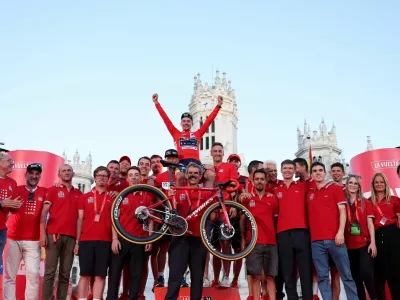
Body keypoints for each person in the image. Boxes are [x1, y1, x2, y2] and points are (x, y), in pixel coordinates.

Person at [307, 162, 358, 300]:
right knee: (323, 277)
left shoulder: (335, 189)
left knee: (346, 275)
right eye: (315, 171)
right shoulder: (309, 194)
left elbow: (343, 211)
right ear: (311, 175)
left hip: (335, 239)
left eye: (320, 170)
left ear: (325, 173)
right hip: (316, 242)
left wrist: (340, 232)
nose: (318, 173)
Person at [164, 162, 215, 300]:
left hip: (199, 238)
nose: (193, 175)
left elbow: (213, 217)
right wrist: (170, 196)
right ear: (186, 175)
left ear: (200, 177)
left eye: (196, 173)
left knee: (197, 278)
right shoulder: (178, 190)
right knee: (175, 276)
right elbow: (170, 214)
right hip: (180, 238)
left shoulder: (205, 192)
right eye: (190, 173)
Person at [107, 166, 153, 300]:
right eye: (131, 175)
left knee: (136, 275)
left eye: (136, 175)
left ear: (140, 178)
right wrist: (115, 239)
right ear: (127, 179)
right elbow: (114, 219)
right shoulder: (121, 196)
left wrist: (149, 239)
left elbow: (150, 220)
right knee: (114, 274)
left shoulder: (147, 196)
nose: (133, 177)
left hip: (139, 240)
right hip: (121, 240)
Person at [3, 163, 45, 300]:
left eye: (37, 174)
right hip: (13, 237)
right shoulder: (15, 189)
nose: (34, 176)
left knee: (33, 275)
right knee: (9, 275)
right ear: (25, 174)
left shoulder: (46, 192)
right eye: (31, 173)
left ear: (40, 176)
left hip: (33, 240)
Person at [41, 164, 82, 300]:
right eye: (63, 171)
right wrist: (42, 233)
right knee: (50, 272)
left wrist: (77, 241)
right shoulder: (53, 190)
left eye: (69, 170)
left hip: (71, 237)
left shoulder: (79, 194)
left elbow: (80, 218)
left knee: (65, 273)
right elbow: (44, 213)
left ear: (73, 174)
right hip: (53, 234)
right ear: (59, 175)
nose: (66, 172)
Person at [274, 159, 313, 300]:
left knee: (305, 270)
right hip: (283, 233)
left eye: (291, 168)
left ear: (295, 170)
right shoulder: (276, 190)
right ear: (281, 170)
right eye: (285, 168)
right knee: (288, 271)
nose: (288, 170)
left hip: (301, 232)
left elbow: (314, 181)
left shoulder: (303, 186)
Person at [76, 166, 114, 300]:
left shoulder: (112, 198)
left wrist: (114, 239)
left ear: (108, 178)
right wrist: (77, 242)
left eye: (104, 176)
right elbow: (80, 219)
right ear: (95, 177)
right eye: (99, 175)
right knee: (84, 274)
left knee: (100, 275)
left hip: (105, 240)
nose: (101, 178)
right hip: (86, 240)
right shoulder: (84, 197)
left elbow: (114, 222)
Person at [240, 168, 279, 300]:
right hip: (253, 243)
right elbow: (242, 220)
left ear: (266, 180)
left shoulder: (273, 199)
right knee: (255, 276)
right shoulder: (247, 199)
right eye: (257, 179)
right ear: (253, 181)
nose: (259, 181)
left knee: (270, 277)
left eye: (262, 179)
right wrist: (243, 239)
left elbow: (275, 220)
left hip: (271, 242)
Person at [152, 93, 222, 164]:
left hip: (196, 163)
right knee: (179, 175)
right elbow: (166, 119)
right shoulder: (176, 133)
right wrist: (156, 103)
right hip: (182, 163)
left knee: (210, 171)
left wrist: (218, 106)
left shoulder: (198, 134)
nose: (186, 123)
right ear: (181, 124)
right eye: (184, 121)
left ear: (192, 124)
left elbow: (208, 121)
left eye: (188, 121)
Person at [207, 142, 238, 288]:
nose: (218, 153)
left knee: (225, 243)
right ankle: (211, 278)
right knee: (211, 246)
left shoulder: (230, 167)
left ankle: (226, 277)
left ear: (223, 153)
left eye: (220, 151)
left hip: (225, 208)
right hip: (209, 210)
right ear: (211, 153)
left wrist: (233, 205)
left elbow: (234, 186)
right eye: (215, 151)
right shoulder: (207, 168)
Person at [344, 174, 377, 300]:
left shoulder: (366, 202)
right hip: (348, 246)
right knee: (355, 277)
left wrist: (373, 243)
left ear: (359, 187)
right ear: (346, 185)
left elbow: (370, 224)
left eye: (355, 183)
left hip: (364, 244)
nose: (353, 185)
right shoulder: (343, 203)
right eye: (350, 183)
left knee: (367, 274)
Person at [369, 172, 400, 299]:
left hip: (393, 236)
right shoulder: (369, 202)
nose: (379, 184)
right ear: (373, 184)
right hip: (376, 236)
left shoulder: (395, 200)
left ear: (386, 183)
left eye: (381, 182)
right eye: (376, 182)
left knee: (396, 273)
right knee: (379, 274)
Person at [153, 149, 180, 288]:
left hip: (179, 214)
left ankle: (178, 277)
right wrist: (164, 206)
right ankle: (161, 276)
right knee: (163, 248)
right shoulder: (160, 177)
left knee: (176, 249)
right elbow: (156, 194)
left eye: (173, 158)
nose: (171, 160)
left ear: (177, 160)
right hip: (164, 213)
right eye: (168, 158)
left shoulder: (182, 176)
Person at [0, 152, 22, 276]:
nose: (12, 164)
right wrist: (1, 202)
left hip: (2, 229)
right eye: (9, 161)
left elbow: (12, 208)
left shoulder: (12, 183)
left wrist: (15, 206)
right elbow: (3, 203)